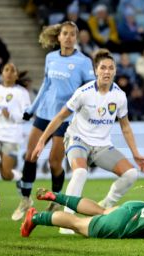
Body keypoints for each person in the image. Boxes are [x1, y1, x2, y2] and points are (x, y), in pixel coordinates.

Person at [31, 49, 144, 234]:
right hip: (78, 139)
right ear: (95, 71)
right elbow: (60, 117)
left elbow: (125, 126)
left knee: (131, 174)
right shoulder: (83, 93)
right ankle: (67, 222)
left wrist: (135, 153)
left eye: (111, 68)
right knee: (79, 173)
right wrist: (41, 141)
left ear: (115, 71)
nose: (107, 72)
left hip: (101, 145)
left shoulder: (119, 96)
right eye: (103, 68)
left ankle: (104, 205)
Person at [13, 21, 95, 222]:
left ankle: (57, 198)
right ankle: (25, 200)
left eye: (72, 34)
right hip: (43, 113)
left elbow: (90, 91)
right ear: (58, 37)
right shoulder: (50, 58)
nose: (68, 37)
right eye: (65, 34)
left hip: (65, 118)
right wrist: (31, 109)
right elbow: (45, 85)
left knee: (54, 162)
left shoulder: (83, 62)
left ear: (76, 38)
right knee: (30, 155)